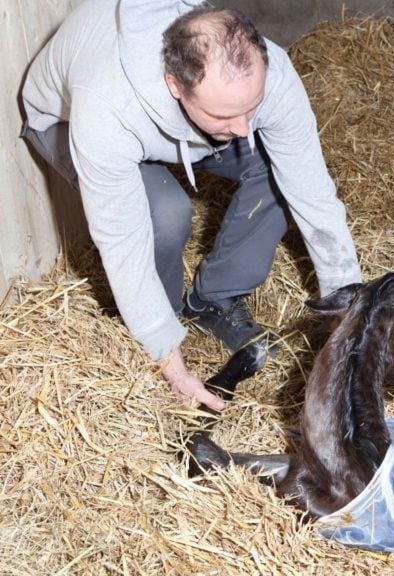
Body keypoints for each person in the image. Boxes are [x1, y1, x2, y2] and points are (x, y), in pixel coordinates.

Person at [20, 0, 362, 411]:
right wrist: (168, 359)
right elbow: (122, 241)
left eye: (251, 108)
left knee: (277, 166)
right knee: (165, 212)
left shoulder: (264, 77)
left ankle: (213, 298)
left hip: (178, 126)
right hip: (63, 120)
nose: (243, 128)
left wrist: (349, 311)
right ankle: (160, 323)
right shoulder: (107, 106)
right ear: (175, 86)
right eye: (227, 115)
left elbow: (313, 193)